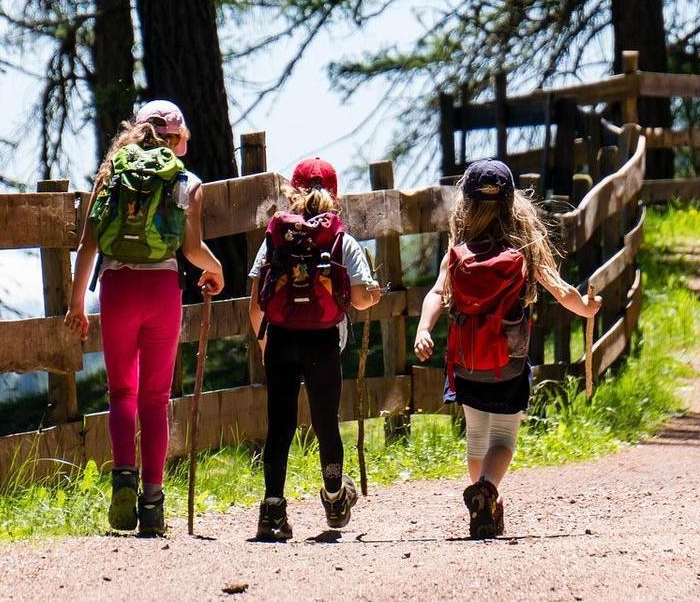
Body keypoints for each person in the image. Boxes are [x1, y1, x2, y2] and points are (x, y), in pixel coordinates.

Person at [413, 159, 600, 539]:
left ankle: (485, 500)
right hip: (509, 363)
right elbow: (559, 288)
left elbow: (436, 293)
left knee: (477, 437)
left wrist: (423, 328)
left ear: (465, 204)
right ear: (512, 203)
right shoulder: (523, 246)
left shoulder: (458, 249)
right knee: (503, 440)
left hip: (466, 363)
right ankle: (487, 490)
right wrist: (585, 307)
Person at [65, 100, 224, 537]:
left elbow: (88, 246)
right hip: (161, 292)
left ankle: (122, 479)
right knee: (155, 399)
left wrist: (77, 304)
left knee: (122, 393)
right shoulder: (186, 181)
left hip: (117, 289)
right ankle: (152, 502)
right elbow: (191, 250)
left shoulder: (111, 173)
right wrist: (217, 270)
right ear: (179, 139)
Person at [248, 157, 382, 541]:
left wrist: (263, 341)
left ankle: (272, 510)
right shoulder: (341, 239)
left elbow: (256, 300)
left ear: (292, 191)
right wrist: (372, 294)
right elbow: (358, 298)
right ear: (335, 194)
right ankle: (336, 499)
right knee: (326, 424)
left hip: (281, 339)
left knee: (280, 427)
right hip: (323, 341)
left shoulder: (276, 238)